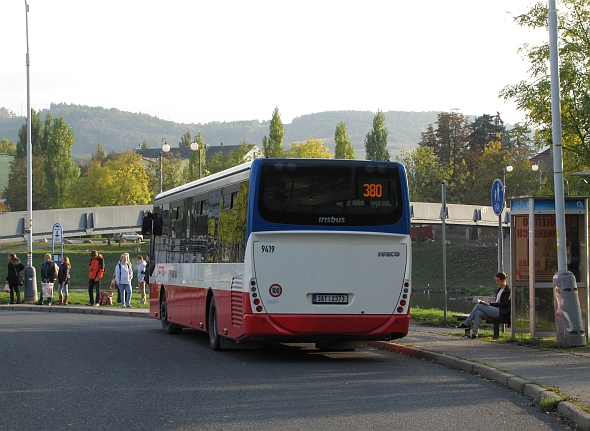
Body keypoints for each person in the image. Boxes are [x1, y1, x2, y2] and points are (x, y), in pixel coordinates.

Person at [456, 272, 511, 339]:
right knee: (478, 313)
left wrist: (491, 304)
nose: (497, 282)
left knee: (478, 305)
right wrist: (488, 304)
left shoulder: (507, 290)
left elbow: (504, 304)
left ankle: (466, 323)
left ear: (503, 280)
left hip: (500, 312)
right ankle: (474, 334)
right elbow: (498, 301)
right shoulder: (500, 289)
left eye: (498, 281)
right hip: (495, 309)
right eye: (496, 281)